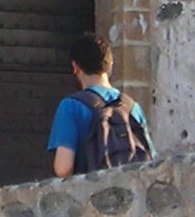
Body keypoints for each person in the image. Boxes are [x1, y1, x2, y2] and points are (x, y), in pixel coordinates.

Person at [49, 32, 149, 177]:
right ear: (110, 66)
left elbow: (64, 168)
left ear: (75, 67)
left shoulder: (71, 106)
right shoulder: (133, 107)